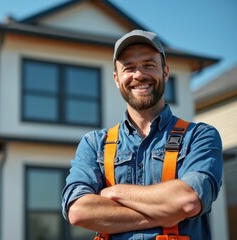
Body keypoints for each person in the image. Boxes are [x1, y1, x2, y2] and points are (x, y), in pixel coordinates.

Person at [61, 29, 223, 239]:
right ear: (117, 79)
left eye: (148, 65)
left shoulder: (199, 136)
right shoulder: (94, 144)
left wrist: (114, 192)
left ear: (165, 72)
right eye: (129, 68)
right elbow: (78, 210)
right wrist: (165, 214)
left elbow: (187, 201)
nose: (139, 75)